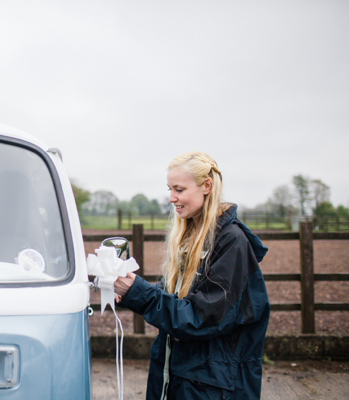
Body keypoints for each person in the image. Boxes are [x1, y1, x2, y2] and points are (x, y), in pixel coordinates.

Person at [114, 151, 270, 400]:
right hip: (181, 378)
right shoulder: (189, 236)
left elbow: (200, 317)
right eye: (170, 189)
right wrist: (129, 292)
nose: (172, 198)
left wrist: (139, 293)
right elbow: (175, 300)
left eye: (179, 189)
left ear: (206, 186)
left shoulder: (232, 243)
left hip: (211, 387)